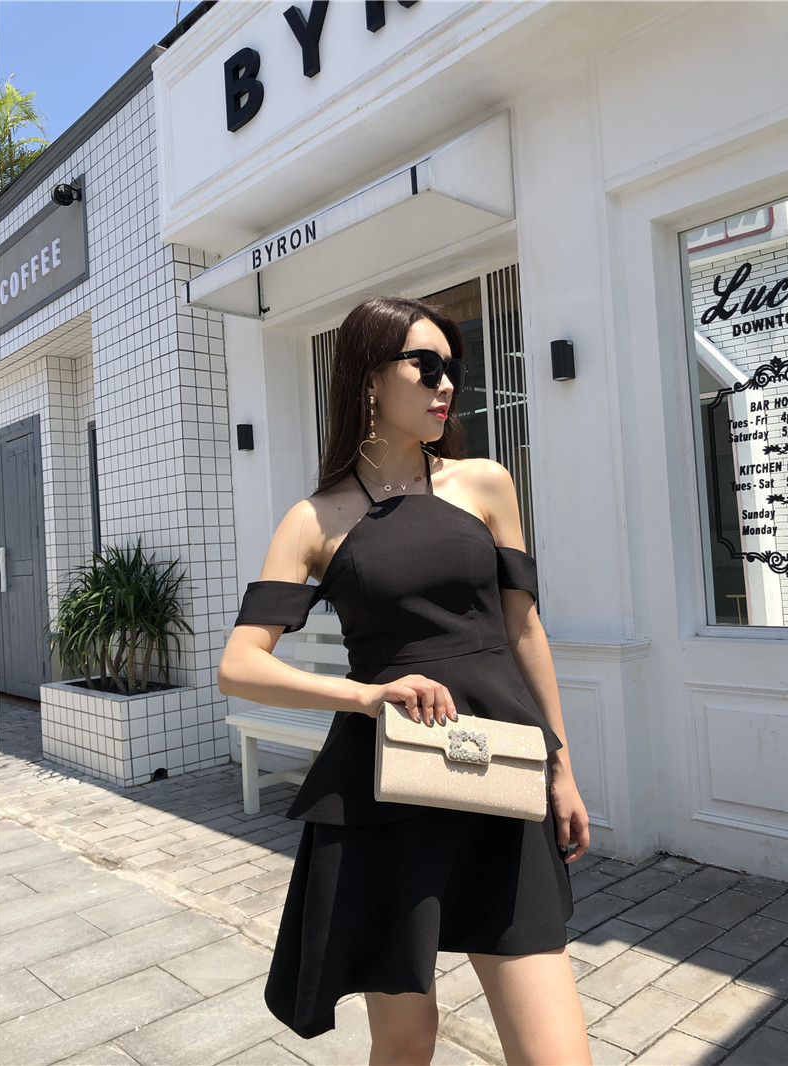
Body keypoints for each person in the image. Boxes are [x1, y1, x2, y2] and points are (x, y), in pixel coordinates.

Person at [218, 295, 592, 1066]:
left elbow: (525, 631)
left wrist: (561, 768)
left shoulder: (485, 483)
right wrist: (364, 695)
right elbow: (240, 663)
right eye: (426, 365)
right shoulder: (314, 520)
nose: (445, 384)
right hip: (387, 792)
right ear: (368, 376)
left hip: (498, 772)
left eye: (451, 369)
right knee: (406, 1041)